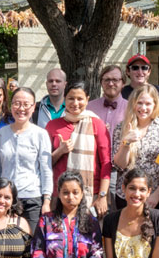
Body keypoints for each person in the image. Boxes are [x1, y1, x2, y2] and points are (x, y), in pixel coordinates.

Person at [32, 171, 104, 258]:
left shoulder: (91, 222)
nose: (70, 197)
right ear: (58, 194)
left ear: (82, 193)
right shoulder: (46, 220)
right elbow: (38, 256)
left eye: (75, 192)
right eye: (65, 192)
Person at [47, 82, 113, 216]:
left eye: (80, 99)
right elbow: (44, 164)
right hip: (59, 195)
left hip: (90, 194)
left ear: (87, 99)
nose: (75, 103)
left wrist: (102, 196)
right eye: (71, 98)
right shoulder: (53, 126)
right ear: (64, 99)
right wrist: (60, 151)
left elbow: (106, 162)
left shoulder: (97, 124)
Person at [0, 87, 54, 233]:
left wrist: (46, 201)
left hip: (32, 199)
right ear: (10, 106)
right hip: (6, 200)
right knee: (6, 243)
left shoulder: (41, 134)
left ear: (33, 107)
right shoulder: (1, 134)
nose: (21, 108)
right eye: (16, 103)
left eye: (26, 104)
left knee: (30, 244)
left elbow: (46, 170)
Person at [111, 85, 159, 211]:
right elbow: (119, 166)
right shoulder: (122, 128)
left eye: (148, 104)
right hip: (126, 197)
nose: (143, 108)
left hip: (155, 199)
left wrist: (157, 195)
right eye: (139, 103)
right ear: (133, 104)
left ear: (155, 105)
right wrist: (126, 143)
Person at [121, 54, 159, 123]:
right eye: (135, 68)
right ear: (128, 71)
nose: (140, 72)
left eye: (144, 68)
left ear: (149, 71)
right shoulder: (120, 93)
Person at [87, 65, 130, 138]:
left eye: (115, 80)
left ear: (123, 83)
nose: (110, 84)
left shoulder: (131, 108)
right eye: (107, 80)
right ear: (101, 83)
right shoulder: (88, 108)